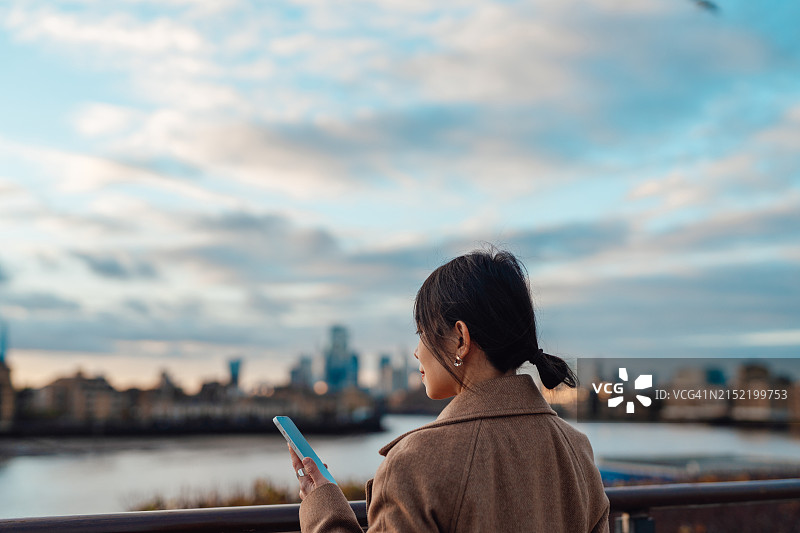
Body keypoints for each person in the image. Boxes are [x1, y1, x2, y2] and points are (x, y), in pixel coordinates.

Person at [289, 249, 610, 532]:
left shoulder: (416, 462)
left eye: (421, 332)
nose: (417, 351)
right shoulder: (576, 448)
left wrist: (323, 508)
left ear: (460, 338)